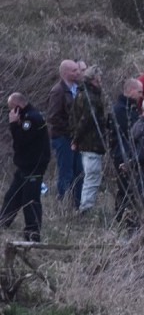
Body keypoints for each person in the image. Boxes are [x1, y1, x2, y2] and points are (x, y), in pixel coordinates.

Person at [1, 93, 51, 242]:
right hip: (25, 166)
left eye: (11, 109)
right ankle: (4, 221)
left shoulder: (30, 119)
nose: (10, 113)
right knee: (13, 195)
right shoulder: (31, 115)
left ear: (17, 107)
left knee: (30, 200)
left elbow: (22, 141)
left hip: (33, 166)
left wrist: (13, 124)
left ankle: (33, 233)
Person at [70, 65, 109, 213]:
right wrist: (75, 139)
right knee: (92, 175)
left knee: (90, 175)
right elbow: (86, 120)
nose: (101, 81)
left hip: (87, 142)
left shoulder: (81, 94)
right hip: (90, 142)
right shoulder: (90, 97)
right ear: (94, 79)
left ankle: (84, 206)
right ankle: (85, 208)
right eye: (99, 78)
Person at [46, 59, 83, 206]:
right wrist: (71, 131)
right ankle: (63, 204)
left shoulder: (77, 88)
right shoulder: (58, 91)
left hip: (75, 138)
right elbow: (53, 117)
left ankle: (77, 204)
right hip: (63, 138)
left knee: (79, 172)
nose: (78, 72)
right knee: (66, 172)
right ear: (65, 72)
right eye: (74, 70)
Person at [110, 78, 143, 226]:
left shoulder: (131, 107)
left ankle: (124, 216)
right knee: (125, 187)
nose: (141, 95)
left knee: (128, 188)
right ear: (130, 90)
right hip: (121, 153)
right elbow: (128, 131)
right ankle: (122, 217)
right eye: (139, 92)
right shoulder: (120, 110)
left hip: (127, 152)